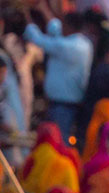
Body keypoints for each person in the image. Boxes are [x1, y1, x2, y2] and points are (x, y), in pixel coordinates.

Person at [24, 6, 94, 140]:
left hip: (63, 106)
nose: (61, 28)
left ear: (69, 26)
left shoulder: (67, 46)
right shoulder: (84, 44)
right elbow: (55, 29)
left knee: (58, 141)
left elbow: (37, 39)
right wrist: (42, 8)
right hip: (62, 104)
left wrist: (25, 12)